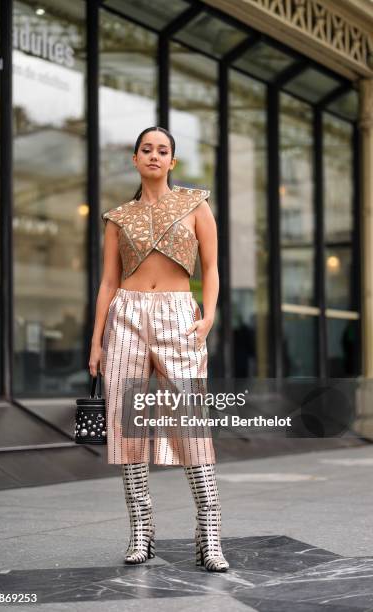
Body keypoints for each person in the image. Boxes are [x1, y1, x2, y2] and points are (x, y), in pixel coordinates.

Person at [88, 126, 229, 572]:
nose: (154, 155)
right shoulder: (117, 218)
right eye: (146, 149)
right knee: (127, 428)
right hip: (125, 316)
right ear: (135, 160)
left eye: (162, 150)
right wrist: (95, 341)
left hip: (178, 315)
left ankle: (209, 534)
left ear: (173, 161)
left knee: (190, 423)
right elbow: (108, 282)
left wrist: (208, 315)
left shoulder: (195, 205)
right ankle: (141, 529)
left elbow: (211, 267)